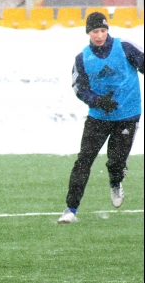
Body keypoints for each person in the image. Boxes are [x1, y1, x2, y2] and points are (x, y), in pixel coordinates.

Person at [58, 12, 143, 224]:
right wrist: (97, 101)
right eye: (95, 31)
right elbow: (79, 88)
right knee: (83, 161)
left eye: (103, 30)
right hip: (98, 117)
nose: (99, 35)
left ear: (107, 31)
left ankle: (115, 182)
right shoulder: (83, 58)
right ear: (88, 32)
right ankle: (71, 209)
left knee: (115, 162)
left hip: (127, 116)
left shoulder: (124, 47)